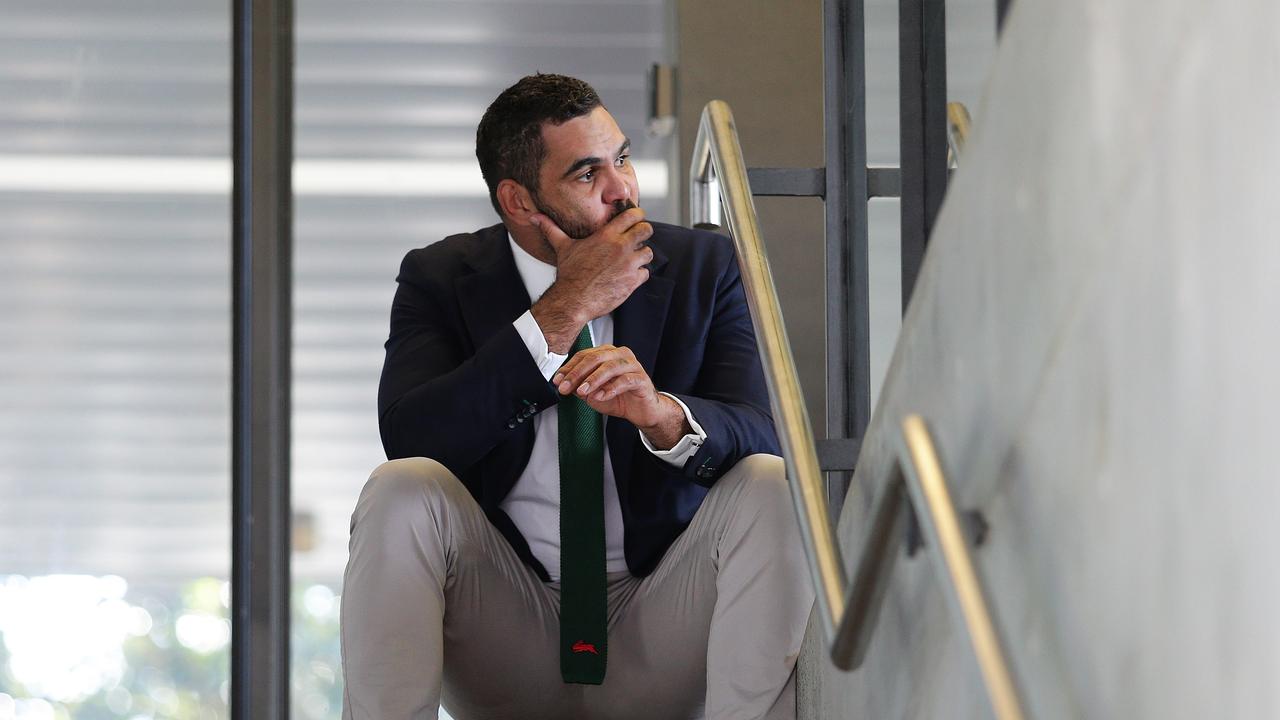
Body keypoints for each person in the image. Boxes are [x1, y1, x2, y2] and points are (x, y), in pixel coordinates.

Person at [341, 73, 814, 720]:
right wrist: (564, 310)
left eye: (621, 158)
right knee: (401, 489)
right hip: (509, 625)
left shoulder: (706, 265)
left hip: (664, 618)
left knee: (769, 482)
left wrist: (663, 418)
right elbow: (415, 438)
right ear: (518, 201)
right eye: (587, 175)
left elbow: (761, 429)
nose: (623, 189)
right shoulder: (440, 278)